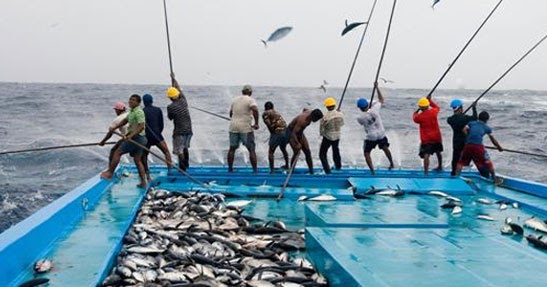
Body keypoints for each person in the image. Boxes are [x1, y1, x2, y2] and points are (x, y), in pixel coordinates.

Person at [100, 94, 148, 188]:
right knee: (137, 160)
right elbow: (125, 121)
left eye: (133, 100)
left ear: (138, 103)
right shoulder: (131, 111)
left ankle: (109, 173)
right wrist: (115, 127)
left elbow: (141, 126)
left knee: (117, 152)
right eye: (130, 99)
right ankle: (143, 182)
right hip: (137, 138)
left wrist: (131, 136)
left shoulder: (139, 112)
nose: (131, 101)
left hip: (137, 138)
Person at [454, 111, 503, 184]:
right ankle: (495, 179)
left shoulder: (472, 123)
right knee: (488, 161)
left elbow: (464, 129)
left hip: (468, 145)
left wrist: (468, 138)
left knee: (460, 162)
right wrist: (499, 147)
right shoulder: (487, 128)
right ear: (486, 120)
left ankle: (456, 177)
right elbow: (493, 140)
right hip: (478, 146)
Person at [356, 82, 394, 174]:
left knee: (367, 153)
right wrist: (377, 88)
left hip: (371, 136)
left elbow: (362, 122)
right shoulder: (375, 109)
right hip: (381, 133)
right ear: (368, 105)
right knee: (385, 148)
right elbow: (381, 99)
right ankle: (391, 163)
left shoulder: (360, 117)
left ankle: (372, 171)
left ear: (360, 108)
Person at [227, 84, 260, 173]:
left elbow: (230, 114)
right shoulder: (250, 100)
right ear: (250, 92)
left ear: (242, 92)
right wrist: (256, 123)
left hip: (233, 126)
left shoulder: (234, 100)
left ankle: (230, 169)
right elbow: (255, 110)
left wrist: (235, 118)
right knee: (251, 149)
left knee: (232, 149)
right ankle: (255, 171)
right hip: (245, 128)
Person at [142, 94, 172, 180]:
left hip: (146, 136)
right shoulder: (158, 110)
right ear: (152, 101)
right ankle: (170, 170)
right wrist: (158, 133)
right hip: (157, 135)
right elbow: (161, 124)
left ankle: (147, 175)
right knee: (166, 152)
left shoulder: (142, 111)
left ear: (144, 102)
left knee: (144, 156)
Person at [167, 73, 193, 171]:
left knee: (179, 150)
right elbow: (178, 89)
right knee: (185, 147)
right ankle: (186, 165)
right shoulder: (183, 100)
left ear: (170, 97)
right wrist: (174, 79)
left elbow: (170, 118)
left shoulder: (170, 107)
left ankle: (182, 169)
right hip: (189, 130)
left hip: (179, 131)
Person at [287, 108, 324, 174]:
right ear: (313, 116)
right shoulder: (303, 121)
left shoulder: (309, 112)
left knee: (307, 151)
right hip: (290, 133)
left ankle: (311, 171)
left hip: (299, 133)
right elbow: (293, 133)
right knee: (297, 152)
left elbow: (304, 109)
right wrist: (297, 143)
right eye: (316, 119)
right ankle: (291, 171)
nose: (316, 121)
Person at [413, 95, 443, 175]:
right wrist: (430, 101)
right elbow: (437, 107)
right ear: (427, 105)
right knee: (438, 152)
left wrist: (415, 113)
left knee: (426, 154)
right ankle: (440, 166)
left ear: (420, 107)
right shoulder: (434, 112)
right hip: (437, 137)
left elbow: (414, 119)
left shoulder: (419, 117)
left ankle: (426, 172)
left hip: (426, 139)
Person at [447, 99, 477, 176]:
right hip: (464, 141)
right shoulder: (465, 118)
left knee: (455, 158)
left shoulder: (450, 120)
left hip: (456, 141)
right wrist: (474, 108)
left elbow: (456, 118)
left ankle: (454, 172)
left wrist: (461, 115)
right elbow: (474, 118)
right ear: (460, 108)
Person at [262, 101, 289, 174]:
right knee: (283, 149)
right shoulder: (276, 113)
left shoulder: (265, 113)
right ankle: (287, 165)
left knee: (271, 152)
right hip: (286, 132)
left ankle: (272, 171)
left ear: (265, 108)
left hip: (277, 132)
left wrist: (272, 134)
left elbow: (269, 125)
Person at [319, 97, 344, 174]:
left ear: (326, 106)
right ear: (334, 105)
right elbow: (342, 124)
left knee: (322, 154)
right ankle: (338, 166)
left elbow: (321, 131)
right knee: (335, 150)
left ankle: (327, 171)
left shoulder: (325, 117)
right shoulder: (341, 114)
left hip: (328, 137)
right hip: (337, 136)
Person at [99, 102, 128, 166]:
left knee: (113, 151)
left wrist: (103, 142)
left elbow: (110, 133)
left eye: (115, 110)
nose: (115, 112)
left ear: (118, 110)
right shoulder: (129, 114)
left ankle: (110, 170)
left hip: (127, 138)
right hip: (136, 136)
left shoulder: (117, 119)